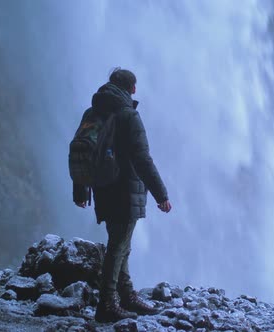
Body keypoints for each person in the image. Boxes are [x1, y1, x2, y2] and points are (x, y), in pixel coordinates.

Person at [73, 68, 172, 323]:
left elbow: (82, 152)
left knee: (120, 243)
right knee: (118, 247)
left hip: (102, 188)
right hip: (125, 189)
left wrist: (81, 188)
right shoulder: (128, 115)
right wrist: (161, 194)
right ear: (133, 88)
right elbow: (142, 158)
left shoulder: (93, 112)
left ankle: (126, 296)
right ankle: (107, 304)